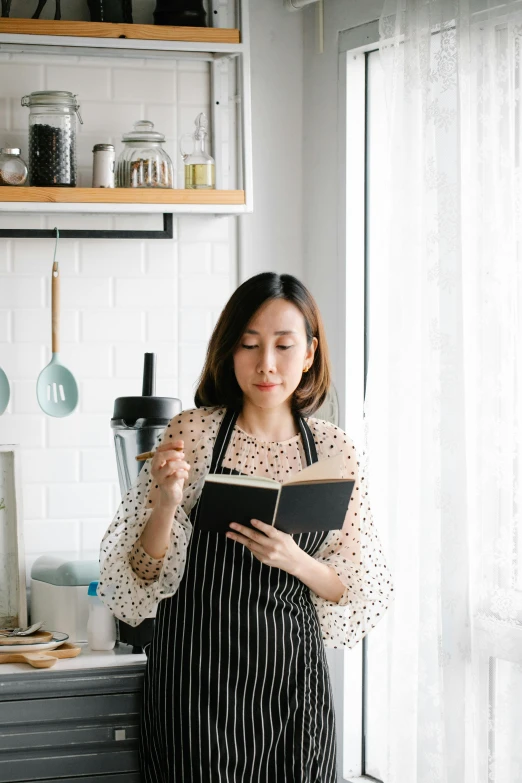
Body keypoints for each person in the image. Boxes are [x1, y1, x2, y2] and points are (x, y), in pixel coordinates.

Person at [99, 272, 394, 783]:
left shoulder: (334, 450)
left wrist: (295, 560)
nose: (266, 365)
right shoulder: (192, 432)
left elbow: (356, 587)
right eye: (250, 345)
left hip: (292, 690)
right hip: (195, 690)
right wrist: (167, 503)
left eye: (284, 346)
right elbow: (138, 576)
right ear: (229, 350)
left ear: (309, 354)